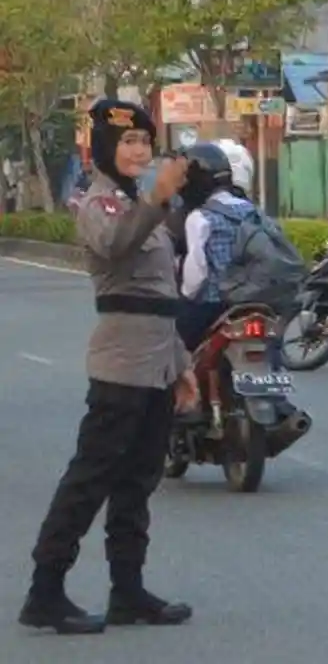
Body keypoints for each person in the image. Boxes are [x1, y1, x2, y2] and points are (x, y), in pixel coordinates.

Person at [20, 99, 195, 635]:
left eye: (145, 140)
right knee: (89, 479)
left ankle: (129, 590)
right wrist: (159, 199)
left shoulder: (139, 205)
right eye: (128, 142)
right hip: (121, 363)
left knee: (138, 481)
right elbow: (117, 249)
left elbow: (162, 295)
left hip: (157, 361)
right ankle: (45, 591)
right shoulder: (100, 203)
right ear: (103, 150)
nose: (140, 150)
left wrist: (182, 362)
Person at [175, 143, 258, 352]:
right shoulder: (253, 211)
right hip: (255, 303)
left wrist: (184, 297)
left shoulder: (200, 217)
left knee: (173, 345)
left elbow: (196, 277)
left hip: (215, 306)